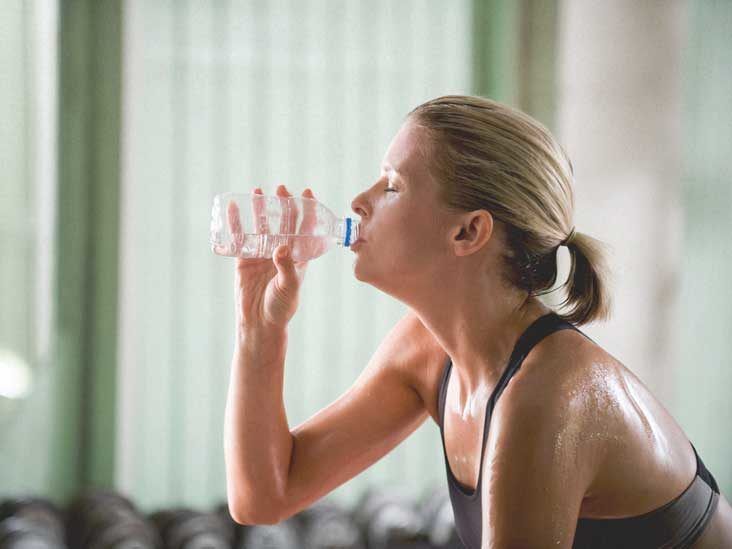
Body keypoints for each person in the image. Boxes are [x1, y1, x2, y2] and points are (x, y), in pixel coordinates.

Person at [223, 95, 732, 547]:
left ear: (469, 232)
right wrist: (259, 329)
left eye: (393, 186)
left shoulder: (549, 393)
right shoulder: (426, 353)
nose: (359, 200)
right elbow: (265, 496)